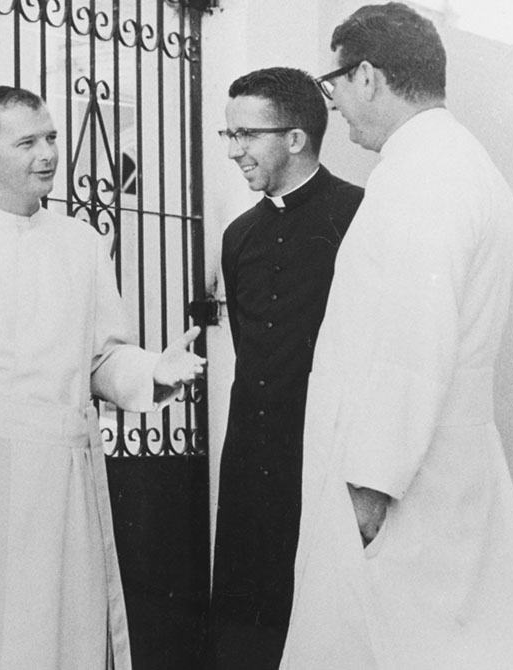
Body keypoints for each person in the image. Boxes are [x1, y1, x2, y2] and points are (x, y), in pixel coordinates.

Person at [0, 85, 206, 670]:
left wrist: (156, 369)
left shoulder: (82, 245)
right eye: (27, 141)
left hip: (59, 473)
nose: (48, 153)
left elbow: (105, 358)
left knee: (53, 635)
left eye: (51, 137)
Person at [280, 4, 513, 668]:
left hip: (401, 487)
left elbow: (416, 339)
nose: (333, 107)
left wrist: (370, 485)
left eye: (332, 86)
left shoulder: (426, 177)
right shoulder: (456, 164)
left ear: (367, 76)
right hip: (442, 470)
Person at [209, 67, 363, 670]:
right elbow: (250, 349)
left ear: (295, 138)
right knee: (248, 629)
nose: (234, 150)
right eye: (228, 135)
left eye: (245, 134)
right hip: (251, 461)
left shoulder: (359, 216)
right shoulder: (238, 234)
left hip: (325, 457)